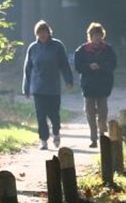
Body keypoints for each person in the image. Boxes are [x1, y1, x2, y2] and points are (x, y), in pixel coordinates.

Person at [23, 20, 73, 150]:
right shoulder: (33, 48)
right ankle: (43, 140)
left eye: (44, 32)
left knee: (54, 115)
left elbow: (64, 64)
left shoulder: (57, 46)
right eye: (39, 33)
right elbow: (27, 69)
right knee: (41, 115)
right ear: (36, 34)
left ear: (48, 32)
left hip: (53, 88)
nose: (42, 35)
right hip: (38, 88)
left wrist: (68, 79)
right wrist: (26, 87)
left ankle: (56, 133)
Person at [73, 22, 117, 148]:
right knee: (90, 113)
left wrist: (101, 67)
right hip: (88, 86)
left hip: (103, 86)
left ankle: (102, 134)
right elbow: (77, 67)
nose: (97, 37)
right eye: (95, 35)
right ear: (90, 36)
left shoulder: (108, 50)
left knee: (103, 113)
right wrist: (88, 67)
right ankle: (93, 138)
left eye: (99, 35)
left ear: (102, 36)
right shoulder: (81, 50)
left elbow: (112, 65)